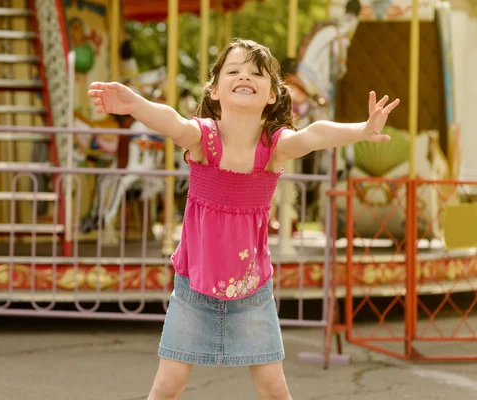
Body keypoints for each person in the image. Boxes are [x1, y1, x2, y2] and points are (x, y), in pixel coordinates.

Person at [88, 38, 399, 400]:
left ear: (272, 94)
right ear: (215, 89)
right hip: (193, 289)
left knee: (273, 389)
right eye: (233, 71)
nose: (244, 76)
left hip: (252, 292)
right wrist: (135, 105)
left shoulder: (274, 147)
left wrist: (361, 130)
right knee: (167, 387)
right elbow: (172, 122)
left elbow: (314, 135)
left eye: (255, 72)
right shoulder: (203, 139)